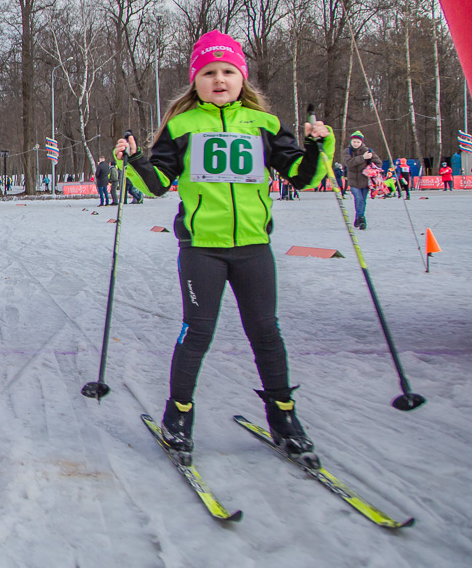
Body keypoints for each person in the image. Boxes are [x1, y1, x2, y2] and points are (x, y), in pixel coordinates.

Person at [116, 29, 333, 465]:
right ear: (196, 80)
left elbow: (303, 177)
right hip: (203, 249)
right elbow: (157, 184)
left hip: (254, 247)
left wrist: (319, 145)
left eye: (228, 71)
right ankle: (178, 415)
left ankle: (284, 416)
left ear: (242, 79)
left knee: (266, 332)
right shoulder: (182, 125)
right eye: (209, 72)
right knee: (197, 331)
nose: (219, 79)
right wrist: (134, 160)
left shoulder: (265, 124)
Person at [342, 131, 380, 230]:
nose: (356, 144)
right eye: (354, 142)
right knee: (358, 199)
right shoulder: (347, 151)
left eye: (358, 142)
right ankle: (362, 219)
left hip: (365, 180)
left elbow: (378, 163)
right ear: (351, 141)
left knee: (363, 200)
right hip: (353, 181)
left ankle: (359, 217)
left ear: (361, 142)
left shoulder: (368, 151)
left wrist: (371, 170)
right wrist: (362, 158)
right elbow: (349, 163)